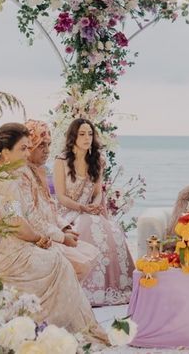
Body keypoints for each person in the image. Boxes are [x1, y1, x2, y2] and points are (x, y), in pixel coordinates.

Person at [0, 123, 107, 342]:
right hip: (3, 254)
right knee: (58, 263)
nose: (28, 154)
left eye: (29, 148)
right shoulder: (5, 182)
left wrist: (47, 235)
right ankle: (49, 331)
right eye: (23, 149)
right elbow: (16, 222)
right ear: (5, 152)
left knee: (58, 259)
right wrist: (39, 238)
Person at [53, 118, 134, 306]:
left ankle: (113, 287)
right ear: (73, 137)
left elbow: (98, 192)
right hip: (68, 212)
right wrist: (82, 208)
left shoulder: (97, 160)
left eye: (90, 134)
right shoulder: (61, 161)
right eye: (82, 134)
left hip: (91, 211)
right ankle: (88, 288)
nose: (87, 138)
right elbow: (61, 197)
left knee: (112, 230)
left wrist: (96, 206)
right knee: (86, 225)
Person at [21, 119, 99, 280]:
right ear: (29, 146)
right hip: (37, 239)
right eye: (42, 145)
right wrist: (62, 237)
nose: (47, 151)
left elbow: (50, 207)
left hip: (52, 231)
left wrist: (64, 227)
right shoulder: (22, 175)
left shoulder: (39, 171)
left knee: (91, 253)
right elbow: (33, 217)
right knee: (82, 263)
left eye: (49, 145)